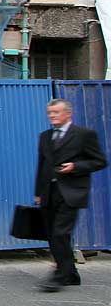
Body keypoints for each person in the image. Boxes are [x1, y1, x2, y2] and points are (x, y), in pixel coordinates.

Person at [34, 98, 107, 292]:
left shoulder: (84, 135)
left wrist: (76, 166)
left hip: (72, 192)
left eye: (56, 112)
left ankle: (60, 275)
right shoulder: (45, 136)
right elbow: (42, 165)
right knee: (52, 235)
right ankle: (72, 273)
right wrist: (38, 192)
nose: (52, 116)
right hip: (50, 192)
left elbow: (99, 161)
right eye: (50, 113)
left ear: (68, 113)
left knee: (60, 233)